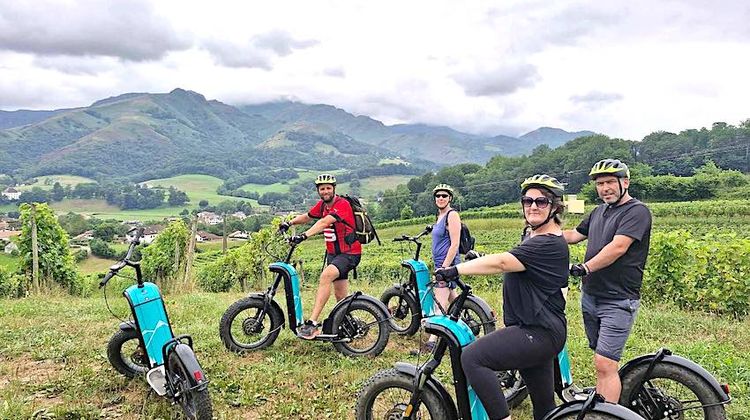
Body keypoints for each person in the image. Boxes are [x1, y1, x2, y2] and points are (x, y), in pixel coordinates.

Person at [437, 174, 569, 420]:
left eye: (541, 201)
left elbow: (502, 262)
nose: (533, 206)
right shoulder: (535, 236)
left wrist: (454, 270)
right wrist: (480, 258)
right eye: (528, 201)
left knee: (473, 358)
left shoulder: (548, 243)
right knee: (544, 409)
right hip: (542, 331)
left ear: (555, 207)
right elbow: (516, 260)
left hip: (536, 332)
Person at [564, 159, 652, 403]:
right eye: (600, 184)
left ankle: (606, 414)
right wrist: (542, 234)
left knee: (605, 363)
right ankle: (605, 398)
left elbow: (618, 247)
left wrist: (585, 267)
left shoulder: (637, 211)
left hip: (618, 300)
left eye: (610, 182)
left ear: (625, 182)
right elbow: (573, 235)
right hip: (591, 296)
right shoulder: (598, 212)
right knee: (601, 358)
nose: (604, 188)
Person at [279, 173, 362, 339]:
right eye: (322, 189)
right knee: (341, 297)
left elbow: (323, 223)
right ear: (318, 191)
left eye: (328, 188)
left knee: (325, 277)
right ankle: (347, 325)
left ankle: (313, 323)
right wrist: (289, 223)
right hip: (334, 255)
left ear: (334, 189)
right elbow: (308, 217)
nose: (325, 191)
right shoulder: (323, 206)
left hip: (349, 254)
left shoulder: (342, 204)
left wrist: (303, 236)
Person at [412, 184, 462, 354]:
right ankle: (465, 324)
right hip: (441, 263)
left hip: (447, 264)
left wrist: (445, 267)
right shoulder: (440, 216)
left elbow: (455, 243)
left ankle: (433, 341)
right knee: (454, 299)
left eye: (444, 196)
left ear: (450, 198)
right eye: (438, 196)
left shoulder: (452, 215)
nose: (441, 198)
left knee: (439, 303)